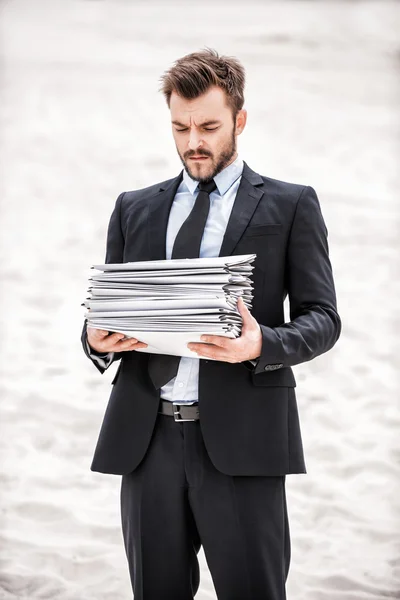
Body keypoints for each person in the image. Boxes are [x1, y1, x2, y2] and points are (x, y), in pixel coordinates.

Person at [81, 48, 341, 600]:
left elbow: (324, 320)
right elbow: (106, 314)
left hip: (244, 444)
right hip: (146, 444)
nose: (192, 142)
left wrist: (261, 344)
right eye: (179, 127)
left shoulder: (291, 205)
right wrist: (95, 340)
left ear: (239, 121)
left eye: (208, 126)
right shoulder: (133, 208)